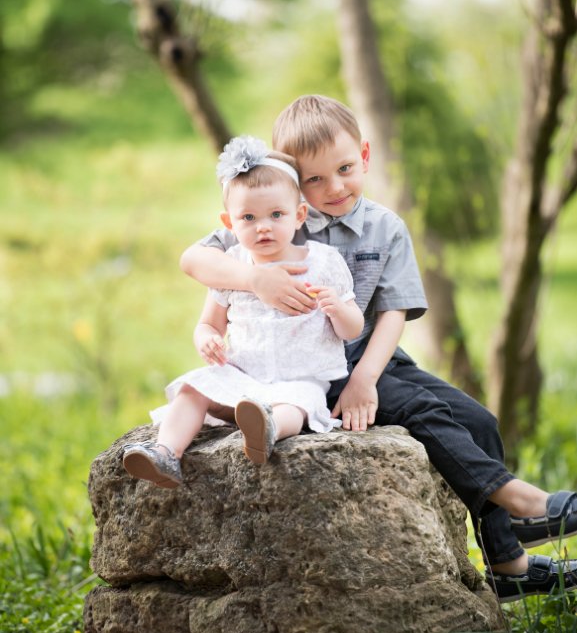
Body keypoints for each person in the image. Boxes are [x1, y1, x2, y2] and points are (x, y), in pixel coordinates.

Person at [181, 94, 577, 603]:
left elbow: (394, 312)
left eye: (345, 169)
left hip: (372, 355)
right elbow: (194, 259)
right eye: (315, 179)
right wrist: (255, 279)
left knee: (479, 421)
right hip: (313, 366)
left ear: (364, 156)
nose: (334, 188)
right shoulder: (276, 217)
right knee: (421, 410)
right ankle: (521, 500)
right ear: (294, 182)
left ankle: (507, 563)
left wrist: (366, 378)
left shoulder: (383, 227)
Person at [123, 135, 364, 487]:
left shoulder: (323, 262)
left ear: (299, 215)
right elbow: (209, 324)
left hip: (299, 379)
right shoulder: (232, 266)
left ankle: (266, 430)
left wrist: (337, 309)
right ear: (229, 223)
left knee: (297, 406)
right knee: (194, 388)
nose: (263, 226)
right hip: (241, 376)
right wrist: (206, 339)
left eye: (276, 215)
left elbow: (352, 328)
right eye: (248, 217)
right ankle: (166, 453)